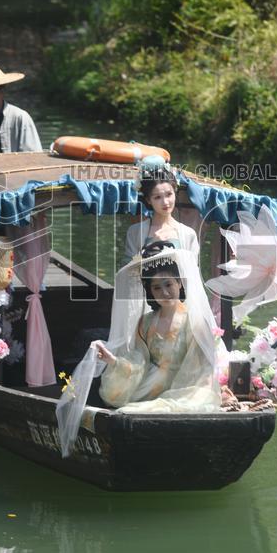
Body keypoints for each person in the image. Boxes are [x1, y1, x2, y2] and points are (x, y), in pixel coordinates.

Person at [55, 241, 222, 457]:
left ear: (180, 283)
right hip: (149, 385)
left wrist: (184, 394)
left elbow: (202, 368)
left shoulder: (195, 322)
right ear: (150, 292)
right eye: (156, 287)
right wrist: (113, 361)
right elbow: (139, 361)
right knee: (125, 411)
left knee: (184, 404)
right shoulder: (145, 322)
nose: (164, 292)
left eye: (168, 284)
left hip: (187, 387)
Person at [123, 157, 199, 266]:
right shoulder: (135, 232)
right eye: (157, 197)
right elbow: (128, 272)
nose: (165, 202)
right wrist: (149, 248)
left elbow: (192, 274)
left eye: (169, 194)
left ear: (175, 192)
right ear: (149, 200)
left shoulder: (188, 234)